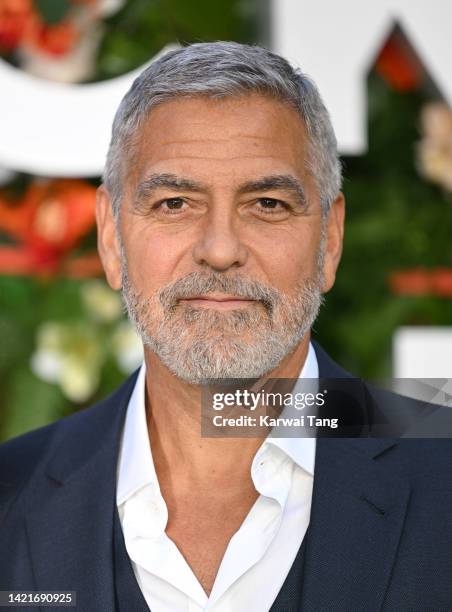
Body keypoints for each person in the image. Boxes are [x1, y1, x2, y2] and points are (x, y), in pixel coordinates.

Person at [1, 41, 451, 612]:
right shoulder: (10, 495)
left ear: (330, 240)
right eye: (173, 203)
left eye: (266, 204)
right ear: (112, 238)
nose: (219, 250)